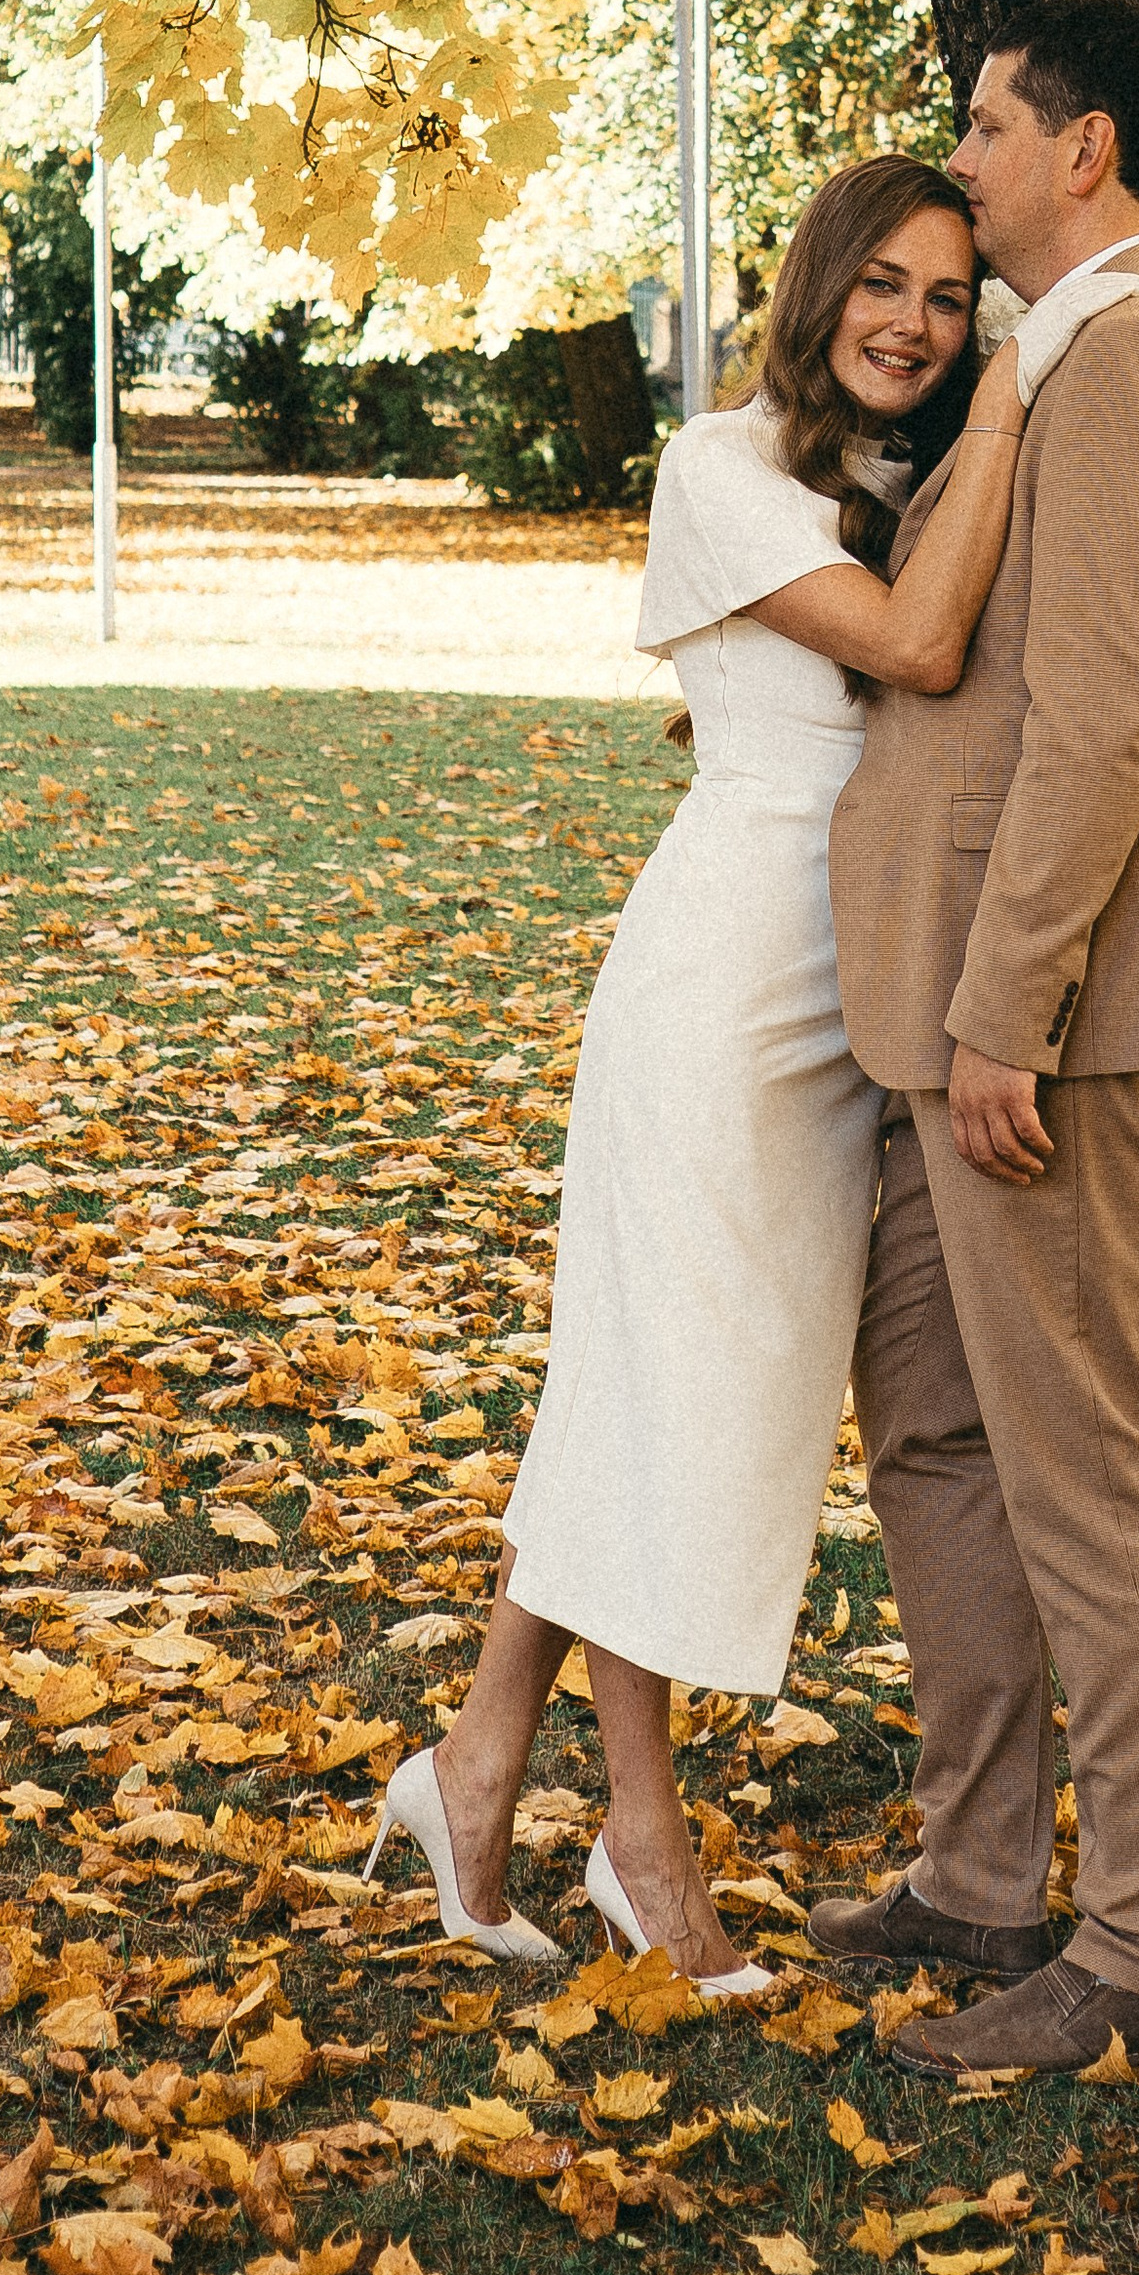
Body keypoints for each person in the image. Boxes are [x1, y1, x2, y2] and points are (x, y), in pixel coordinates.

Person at [364, 155, 1043, 1987]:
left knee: (657, 1385)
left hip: (857, 994)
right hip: (726, 984)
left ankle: (479, 1763)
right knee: (667, 1393)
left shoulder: (894, 480)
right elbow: (916, 647)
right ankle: (643, 1849)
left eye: (955, 297)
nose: (916, 323)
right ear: (818, 288)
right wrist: (1036, 382)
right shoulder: (720, 469)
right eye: (884, 285)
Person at [809, 0, 1139, 2075]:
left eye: (988, 134)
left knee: (1087, 1474)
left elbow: (1110, 712)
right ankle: (982, 1867)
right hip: (949, 1019)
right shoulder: (1059, 357)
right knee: (934, 1436)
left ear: (1080, 149)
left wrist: (1005, 1011)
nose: (969, 164)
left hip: (1060, 1031)